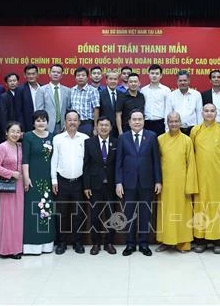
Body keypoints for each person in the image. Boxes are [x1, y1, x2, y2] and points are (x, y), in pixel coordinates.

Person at [190, 103, 220, 254]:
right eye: (206, 111)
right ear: (202, 113)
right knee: (200, 207)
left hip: (218, 177)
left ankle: (218, 241)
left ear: (216, 113)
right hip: (200, 176)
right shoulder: (195, 130)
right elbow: (190, 156)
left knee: (218, 208)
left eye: (212, 111)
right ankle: (201, 240)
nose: (209, 113)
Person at [115, 109, 162, 256]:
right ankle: (130, 244)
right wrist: (118, 182)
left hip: (147, 183)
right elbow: (119, 162)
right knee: (128, 215)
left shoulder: (152, 136)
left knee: (144, 215)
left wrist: (158, 181)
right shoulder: (123, 138)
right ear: (129, 122)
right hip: (128, 183)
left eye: (139, 119)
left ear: (144, 121)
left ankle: (143, 244)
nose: (137, 122)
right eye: (134, 119)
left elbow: (156, 161)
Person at [155, 112, 198, 253]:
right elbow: (156, 162)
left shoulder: (186, 140)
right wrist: (158, 182)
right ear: (167, 123)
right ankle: (165, 241)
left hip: (182, 183)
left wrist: (190, 185)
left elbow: (191, 163)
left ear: (180, 122)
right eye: (171, 121)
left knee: (183, 213)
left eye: (176, 121)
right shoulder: (160, 139)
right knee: (165, 212)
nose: (173, 124)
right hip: (166, 183)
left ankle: (183, 243)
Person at [51, 110, 89, 255]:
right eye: (69, 120)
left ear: (79, 122)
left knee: (79, 214)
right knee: (62, 213)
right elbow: (54, 160)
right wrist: (54, 180)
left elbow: (87, 163)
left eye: (75, 120)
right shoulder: (58, 139)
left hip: (79, 182)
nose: (72, 122)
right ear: (65, 122)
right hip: (62, 181)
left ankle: (78, 242)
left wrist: (86, 184)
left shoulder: (85, 138)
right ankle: (61, 242)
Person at [82, 116, 119, 255]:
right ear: (96, 127)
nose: (103, 127)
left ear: (110, 127)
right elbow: (86, 165)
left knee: (112, 216)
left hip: (111, 185)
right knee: (95, 216)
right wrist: (86, 186)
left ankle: (109, 243)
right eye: (101, 125)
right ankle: (96, 243)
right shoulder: (89, 143)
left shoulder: (116, 142)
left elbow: (118, 165)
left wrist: (118, 183)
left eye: (106, 125)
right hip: (94, 186)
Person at [22, 111, 56, 255]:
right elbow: (25, 159)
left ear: (47, 122)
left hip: (47, 178)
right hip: (33, 178)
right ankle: (32, 245)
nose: (41, 123)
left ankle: (47, 244)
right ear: (33, 123)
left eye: (43, 120)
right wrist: (26, 177)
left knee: (47, 210)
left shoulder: (52, 136)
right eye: (38, 120)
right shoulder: (29, 137)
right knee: (33, 209)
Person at [0, 121, 24, 259]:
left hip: (20, 185)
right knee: (8, 217)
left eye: (18, 131)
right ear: (6, 132)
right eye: (13, 131)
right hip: (8, 185)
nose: (15, 134)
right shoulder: (2, 147)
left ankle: (17, 248)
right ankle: (5, 249)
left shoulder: (21, 146)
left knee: (18, 217)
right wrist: (11, 173)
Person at [35, 64, 71, 135]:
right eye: (53, 72)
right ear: (49, 74)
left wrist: (66, 124)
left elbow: (68, 109)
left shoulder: (67, 90)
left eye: (58, 72)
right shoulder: (42, 90)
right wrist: (42, 125)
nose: (55, 74)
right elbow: (39, 110)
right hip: (47, 125)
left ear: (61, 75)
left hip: (62, 126)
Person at [165, 70, 203, 135]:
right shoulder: (171, 95)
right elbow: (167, 114)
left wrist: (199, 131)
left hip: (193, 129)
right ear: (177, 82)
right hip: (176, 129)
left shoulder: (196, 94)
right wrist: (167, 130)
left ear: (189, 81)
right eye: (180, 81)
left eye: (185, 80)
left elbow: (199, 114)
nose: (183, 83)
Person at [140, 64, 171, 137]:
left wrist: (167, 127)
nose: (154, 76)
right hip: (146, 123)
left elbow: (168, 109)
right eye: (152, 73)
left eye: (157, 74)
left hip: (160, 123)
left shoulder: (166, 90)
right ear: (149, 74)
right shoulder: (143, 90)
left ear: (161, 75)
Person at [70, 67, 100, 136]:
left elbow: (96, 109)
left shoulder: (93, 91)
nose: (80, 77)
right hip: (73, 124)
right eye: (78, 75)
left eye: (83, 75)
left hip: (87, 124)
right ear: (75, 78)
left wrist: (96, 127)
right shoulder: (72, 90)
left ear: (87, 78)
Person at [15, 64, 41, 132]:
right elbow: (18, 112)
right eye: (28, 74)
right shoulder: (20, 90)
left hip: (42, 123)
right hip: (27, 125)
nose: (31, 76)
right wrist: (21, 129)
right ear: (25, 75)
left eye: (33, 74)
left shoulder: (43, 88)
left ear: (38, 75)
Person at [98, 70, 123, 138]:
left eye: (115, 79)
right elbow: (98, 113)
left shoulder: (122, 95)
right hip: (104, 128)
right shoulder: (100, 94)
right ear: (106, 80)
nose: (113, 81)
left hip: (119, 130)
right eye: (110, 79)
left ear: (118, 81)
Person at [0, 73, 19, 140]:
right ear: (6, 83)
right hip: (9, 129)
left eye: (14, 81)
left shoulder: (22, 94)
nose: (12, 83)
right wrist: (6, 131)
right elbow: (3, 116)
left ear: (18, 82)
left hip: (20, 129)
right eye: (10, 81)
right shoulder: (3, 96)